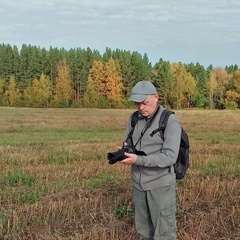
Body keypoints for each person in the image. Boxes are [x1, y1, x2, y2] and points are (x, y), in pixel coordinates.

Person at [120, 80, 181, 240]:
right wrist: (124, 151)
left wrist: (138, 160)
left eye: (145, 102)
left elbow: (170, 156)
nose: (141, 107)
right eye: (137, 103)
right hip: (138, 186)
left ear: (156, 97)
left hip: (160, 186)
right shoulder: (134, 118)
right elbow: (128, 142)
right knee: (144, 233)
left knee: (164, 235)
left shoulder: (169, 120)